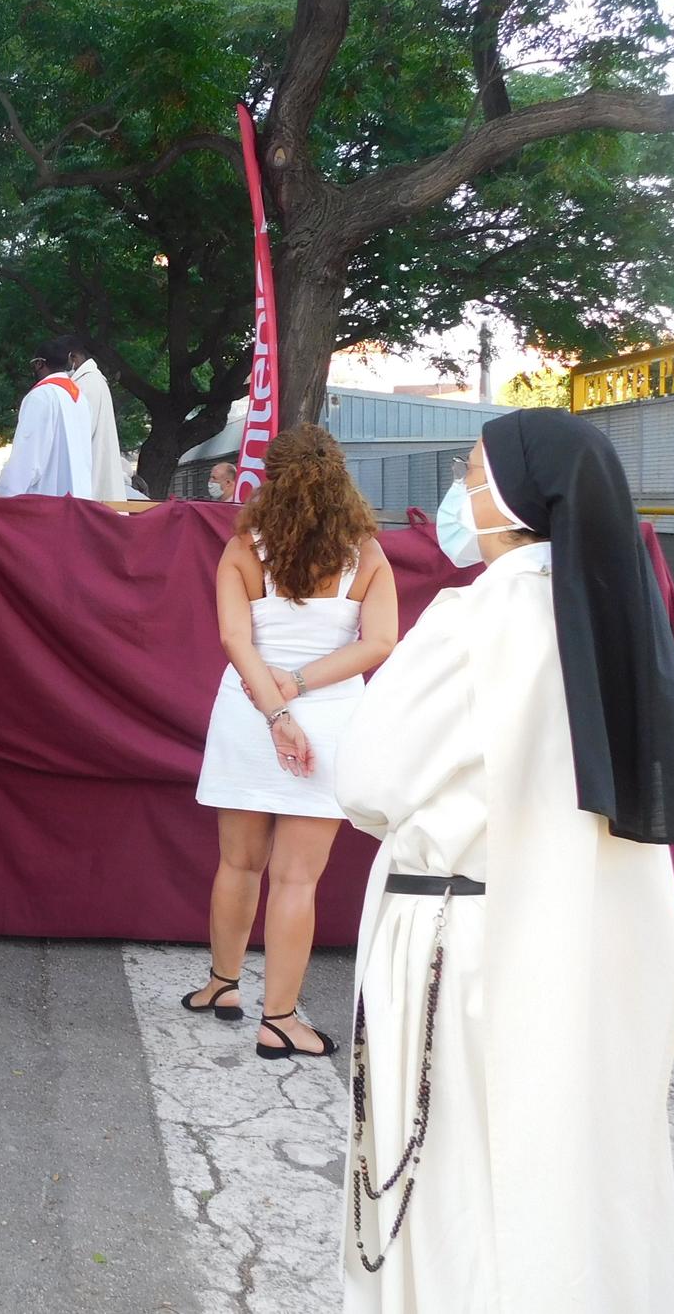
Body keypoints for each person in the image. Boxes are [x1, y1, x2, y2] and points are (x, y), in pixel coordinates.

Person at [337, 410, 674, 1313]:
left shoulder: (480, 617)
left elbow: (368, 776)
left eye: (471, 473)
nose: (461, 493)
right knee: (574, 1164)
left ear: (512, 497)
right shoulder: (616, 612)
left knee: (453, 1173)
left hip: (464, 939)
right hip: (587, 941)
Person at [184, 424, 399, 1060]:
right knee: (297, 882)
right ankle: (279, 1020)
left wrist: (276, 710)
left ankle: (222, 985)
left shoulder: (243, 547)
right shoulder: (367, 553)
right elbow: (379, 643)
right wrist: (301, 686)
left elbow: (234, 639)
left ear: (269, 477)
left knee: (237, 864)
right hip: (331, 719)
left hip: (249, 715)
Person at [0, 337, 95, 498]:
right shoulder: (80, 397)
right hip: (80, 498)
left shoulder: (42, 395)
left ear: (39, 363)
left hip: (47, 498)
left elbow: (27, 456)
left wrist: (2, 491)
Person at [68, 341, 128, 503]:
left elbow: (79, 436)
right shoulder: (91, 381)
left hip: (93, 488)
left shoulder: (87, 383)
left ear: (74, 357)